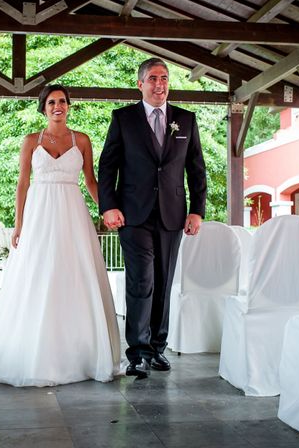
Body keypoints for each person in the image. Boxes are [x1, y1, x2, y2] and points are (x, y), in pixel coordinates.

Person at [0, 84, 121, 387]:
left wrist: (108, 210)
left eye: (63, 102)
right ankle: (36, 353)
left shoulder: (81, 140)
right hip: (40, 214)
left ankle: (81, 353)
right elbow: (22, 183)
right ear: (44, 108)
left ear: (69, 106)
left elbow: (91, 181)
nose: (58, 106)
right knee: (39, 275)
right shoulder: (31, 140)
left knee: (75, 275)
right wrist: (19, 224)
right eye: (52, 102)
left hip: (73, 214)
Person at [98, 58, 207, 379]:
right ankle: (138, 351)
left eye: (164, 78)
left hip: (173, 214)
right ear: (140, 84)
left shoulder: (186, 120)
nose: (160, 84)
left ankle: (158, 347)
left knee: (163, 281)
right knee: (141, 281)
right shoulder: (123, 119)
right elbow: (108, 167)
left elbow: (196, 170)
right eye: (153, 78)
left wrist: (197, 210)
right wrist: (109, 206)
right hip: (133, 214)